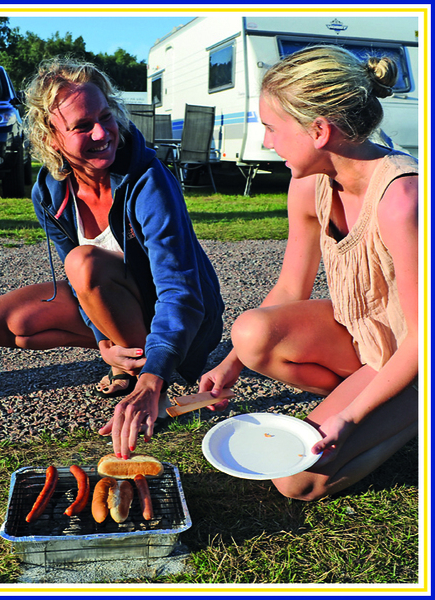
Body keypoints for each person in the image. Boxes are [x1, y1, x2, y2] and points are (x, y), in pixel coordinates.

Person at [199, 45, 418, 500]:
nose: (267, 141)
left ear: (319, 131)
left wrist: (350, 417)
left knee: (295, 480)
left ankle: (412, 414)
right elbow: (289, 288)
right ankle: (373, 402)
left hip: (419, 359)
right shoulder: (309, 185)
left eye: (271, 127)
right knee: (251, 333)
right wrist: (232, 363)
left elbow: (424, 336)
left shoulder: (403, 201)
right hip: (371, 344)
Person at [0, 57, 224, 459]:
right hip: (111, 305)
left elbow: (180, 291)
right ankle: (122, 360)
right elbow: (78, 288)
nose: (102, 133)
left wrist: (154, 377)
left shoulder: (148, 179)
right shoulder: (47, 192)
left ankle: (150, 381)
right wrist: (102, 343)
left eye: (104, 117)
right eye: (82, 126)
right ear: (52, 137)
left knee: (84, 263)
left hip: (182, 321)